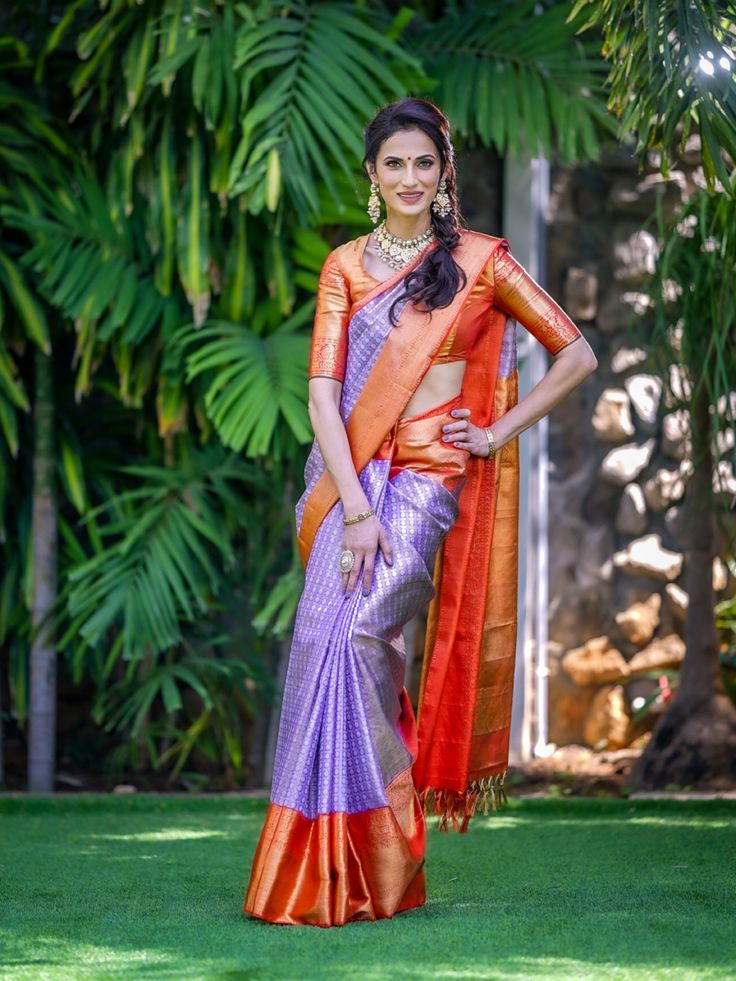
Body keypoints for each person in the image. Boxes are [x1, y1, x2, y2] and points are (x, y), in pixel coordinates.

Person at [243, 96, 597, 928]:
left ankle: (382, 852)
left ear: (444, 174)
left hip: (430, 480)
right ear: (372, 174)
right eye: (393, 163)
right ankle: (323, 867)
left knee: (363, 632)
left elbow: (575, 352)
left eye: (423, 163)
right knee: (319, 641)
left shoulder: (481, 261)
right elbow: (325, 399)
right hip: (349, 479)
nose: (409, 177)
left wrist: (499, 429)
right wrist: (357, 508)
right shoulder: (345, 266)